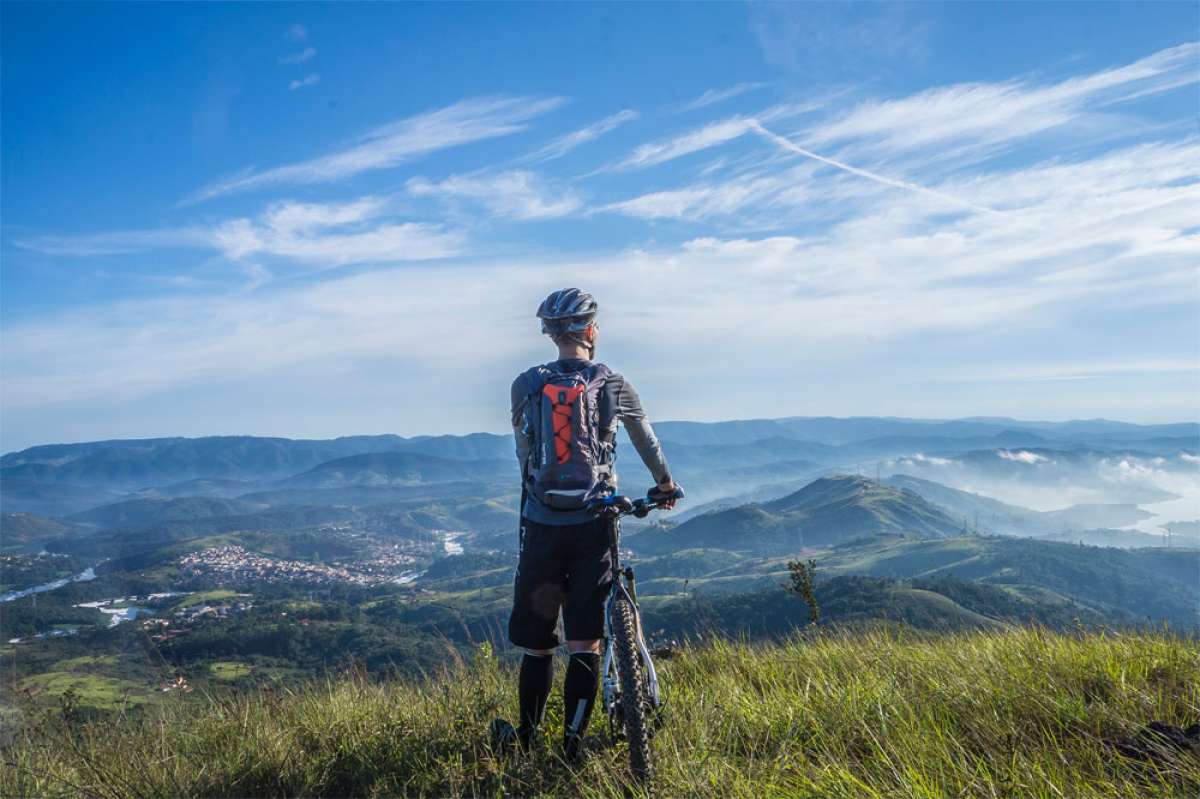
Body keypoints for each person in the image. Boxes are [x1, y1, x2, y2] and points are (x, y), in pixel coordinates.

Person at [491, 287, 680, 762]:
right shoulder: (613, 382)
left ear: (550, 333)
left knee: (537, 647)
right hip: (595, 522)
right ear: (592, 329)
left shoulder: (525, 384)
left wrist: (538, 498)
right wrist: (664, 485)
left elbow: (523, 454)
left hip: (540, 524)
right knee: (585, 643)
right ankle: (572, 746)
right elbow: (646, 441)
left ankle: (528, 741)